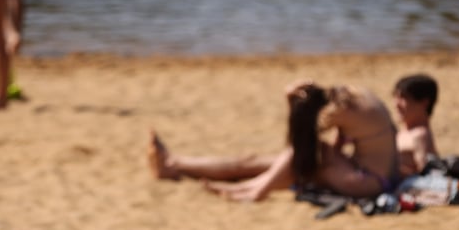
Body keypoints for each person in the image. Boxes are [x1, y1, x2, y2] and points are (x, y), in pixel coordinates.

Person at [149, 81, 399, 202]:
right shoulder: (359, 95)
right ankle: (175, 163)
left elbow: (302, 140)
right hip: (371, 176)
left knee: (268, 161)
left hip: (367, 183)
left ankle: (255, 189)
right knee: (257, 162)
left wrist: (289, 99)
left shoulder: (338, 110)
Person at [392, 74, 439, 177]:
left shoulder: (421, 135)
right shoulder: (400, 133)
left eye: (403, 98)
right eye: (396, 97)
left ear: (424, 103)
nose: (396, 104)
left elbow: (427, 176)